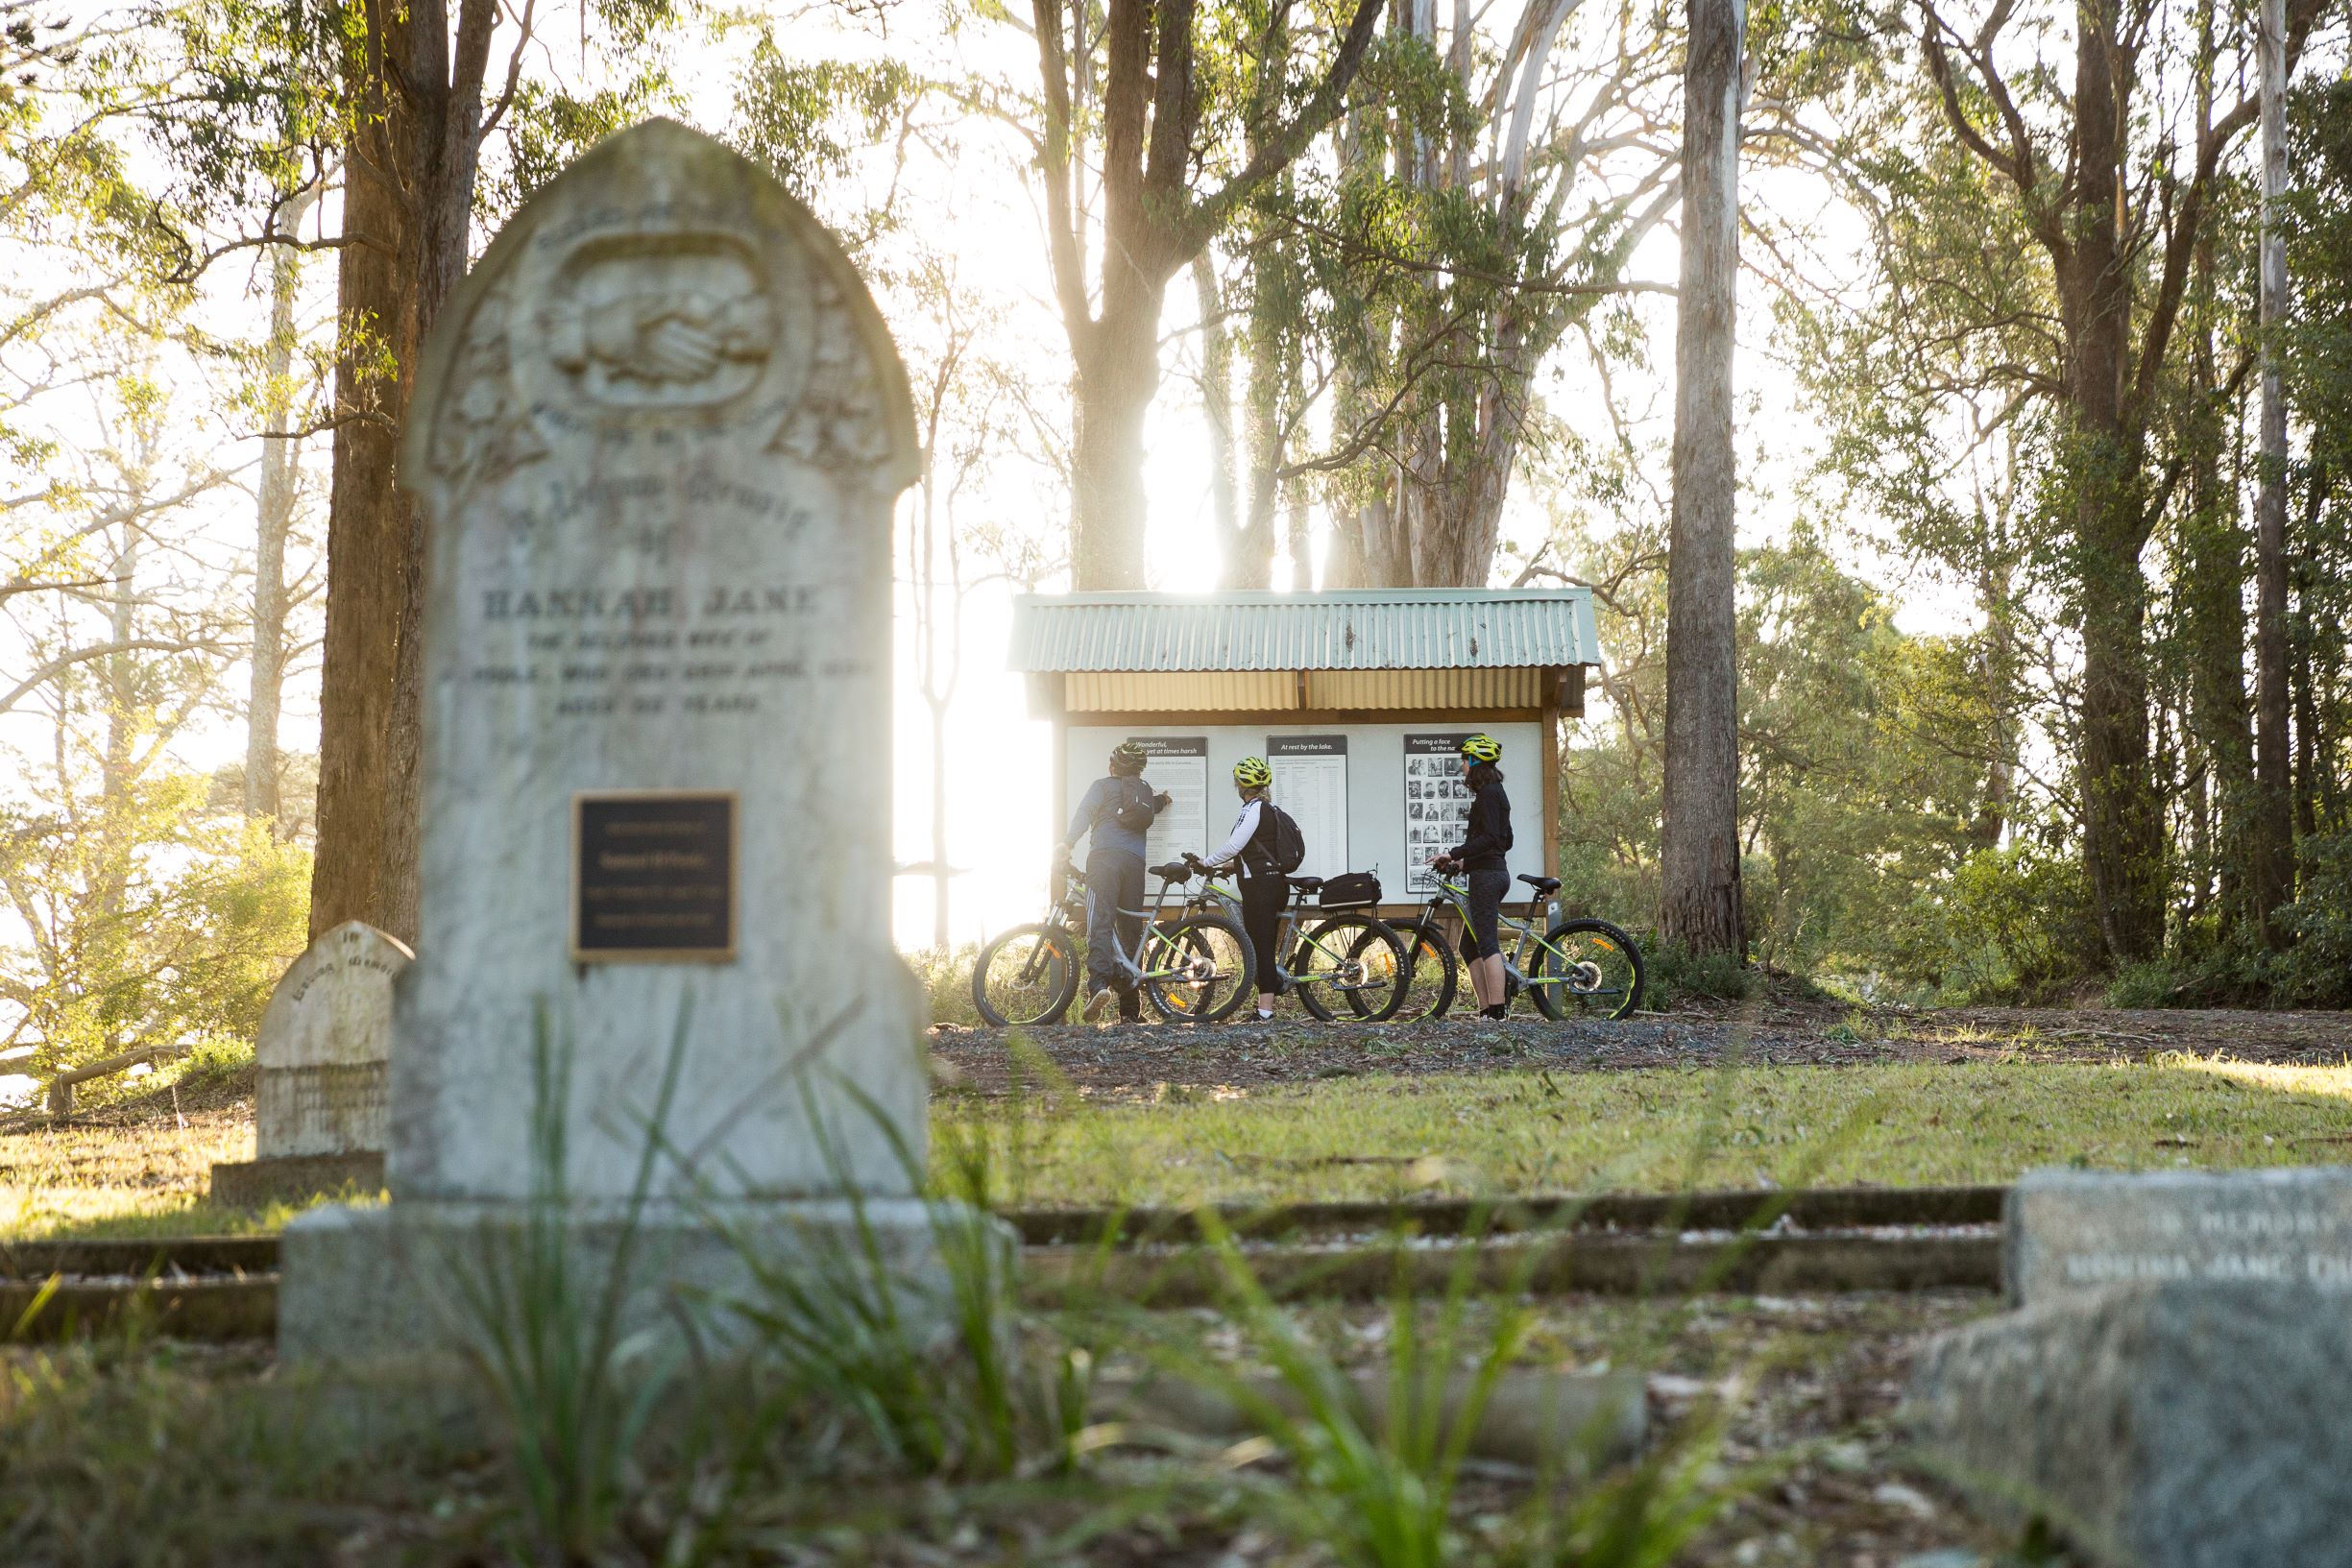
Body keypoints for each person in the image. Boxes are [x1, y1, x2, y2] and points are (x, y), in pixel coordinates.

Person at [1058, 740, 1169, 1023]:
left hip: (1104, 860)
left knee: (1101, 923)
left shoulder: (1102, 786)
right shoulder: (1144, 795)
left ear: (1112, 767)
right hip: (1134, 863)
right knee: (1131, 929)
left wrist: (1067, 843)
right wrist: (1163, 800)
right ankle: (1131, 1010)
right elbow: (1150, 809)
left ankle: (1098, 986)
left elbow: (1084, 815)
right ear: (1139, 772)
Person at [1432, 733, 1512, 1020]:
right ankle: (1485, 1010)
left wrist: (1454, 854)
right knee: (1468, 944)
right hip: (1492, 873)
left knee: (1488, 943)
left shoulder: (1489, 794)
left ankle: (1497, 1013)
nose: (1462, 766)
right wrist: (1464, 863)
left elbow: (1491, 838)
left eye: (1464, 760)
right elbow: (1505, 841)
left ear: (1476, 761)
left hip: (1487, 879)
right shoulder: (1494, 793)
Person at [1203, 756, 1286, 1022]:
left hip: (1261, 888)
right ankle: (1266, 1002)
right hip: (1272, 883)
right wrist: (1232, 866)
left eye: (1237, 783)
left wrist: (1207, 863)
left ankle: (1265, 1012)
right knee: (1263, 944)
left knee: (1261, 947)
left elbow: (1234, 845)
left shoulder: (1253, 809)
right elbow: (1257, 850)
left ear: (1243, 786)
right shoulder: (1269, 809)